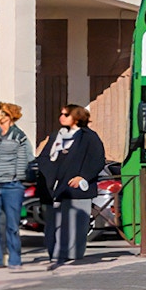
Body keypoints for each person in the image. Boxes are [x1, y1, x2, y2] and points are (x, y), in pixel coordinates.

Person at [37, 104, 105, 268]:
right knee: (54, 224)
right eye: (61, 114)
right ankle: (55, 253)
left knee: (76, 224)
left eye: (65, 114)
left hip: (76, 188)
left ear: (76, 117)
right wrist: (50, 175)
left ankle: (72, 254)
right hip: (54, 188)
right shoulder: (56, 136)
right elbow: (44, 157)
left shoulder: (88, 136)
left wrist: (83, 176)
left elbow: (97, 160)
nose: (61, 117)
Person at [0, 102, 33, 270]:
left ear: (9, 117)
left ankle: (14, 259)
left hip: (11, 185)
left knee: (11, 224)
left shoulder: (19, 136)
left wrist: (16, 176)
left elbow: (27, 158)